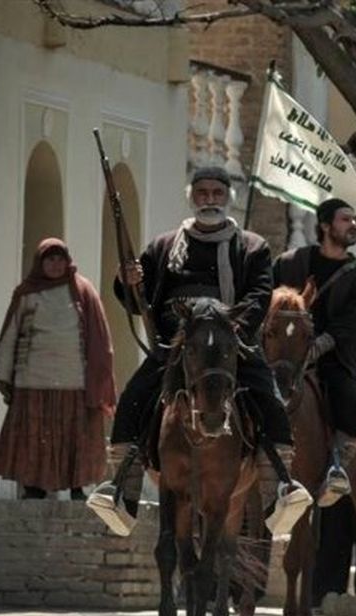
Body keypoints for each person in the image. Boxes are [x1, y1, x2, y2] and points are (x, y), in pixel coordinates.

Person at [87, 165, 309, 537]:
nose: (210, 200)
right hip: (177, 349)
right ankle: (120, 492)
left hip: (232, 346)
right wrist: (127, 282)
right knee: (133, 400)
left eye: (217, 194)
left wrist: (227, 325)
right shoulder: (162, 246)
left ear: (228, 198)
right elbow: (137, 299)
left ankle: (280, 489)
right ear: (193, 197)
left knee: (270, 402)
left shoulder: (252, 248)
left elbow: (258, 296)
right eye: (203, 193)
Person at [272, 198, 356, 506]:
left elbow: (347, 326)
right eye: (345, 219)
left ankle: (337, 466)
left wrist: (314, 349)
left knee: (351, 402)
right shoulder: (289, 263)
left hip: (333, 358)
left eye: (353, 220)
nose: (353, 225)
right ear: (324, 226)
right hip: (282, 355)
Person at [0, 239, 114, 499]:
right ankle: (33, 487)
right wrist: (3, 376)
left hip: (75, 382)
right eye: (50, 259)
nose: (56, 264)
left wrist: (99, 379)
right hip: (32, 380)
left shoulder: (82, 290)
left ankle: (77, 486)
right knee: (33, 438)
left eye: (60, 259)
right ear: (40, 262)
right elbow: (10, 335)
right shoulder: (25, 293)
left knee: (75, 438)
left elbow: (100, 339)